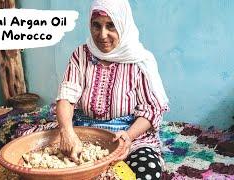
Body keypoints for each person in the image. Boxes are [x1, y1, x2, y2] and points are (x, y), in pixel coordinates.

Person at [56, 0, 169, 179]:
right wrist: (67, 132)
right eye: (96, 25)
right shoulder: (81, 55)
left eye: (111, 26)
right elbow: (66, 98)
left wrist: (128, 137)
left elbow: (150, 109)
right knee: (58, 169)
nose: (102, 35)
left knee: (147, 170)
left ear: (123, 25)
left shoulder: (139, 60)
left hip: (126, 134)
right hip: (83, 132)